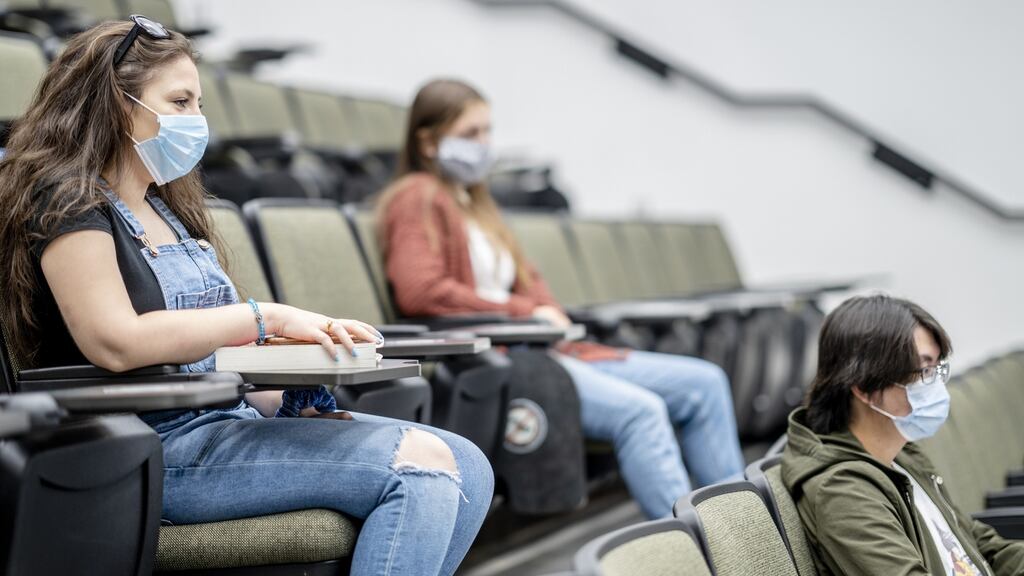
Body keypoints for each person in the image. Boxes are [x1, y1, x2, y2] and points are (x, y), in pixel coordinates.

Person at [0, 18, 492, 576]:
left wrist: (298, 377)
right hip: (149, 446)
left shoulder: (166, 208)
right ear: (116, 102)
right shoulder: (67, 201)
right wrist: (265, 316)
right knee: (420, 468)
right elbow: (114, 342)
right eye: (180, 101)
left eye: (200, 103)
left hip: (225, 421)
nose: (197, 121)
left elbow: (212, 359)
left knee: (470, 465)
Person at [376, 78, 744, 519]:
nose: (484, 144)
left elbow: (530, 280)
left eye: (487, 131)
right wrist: (526, 313)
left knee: (704, 384)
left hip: (545, 346)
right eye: (470, 134)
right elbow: (421, 291)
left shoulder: (476, 204)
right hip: (502, 358)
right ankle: (691, 552)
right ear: (429, 142)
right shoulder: (415, 197)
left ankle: (738, 531)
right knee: (641, 413)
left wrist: (541, 309)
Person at [781, 295, 1024, 575]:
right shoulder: (843, 492)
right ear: (864, 386)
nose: (935, 386)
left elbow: (979, 546)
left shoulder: (902, 457)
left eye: (937, 369)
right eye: (924, 370)